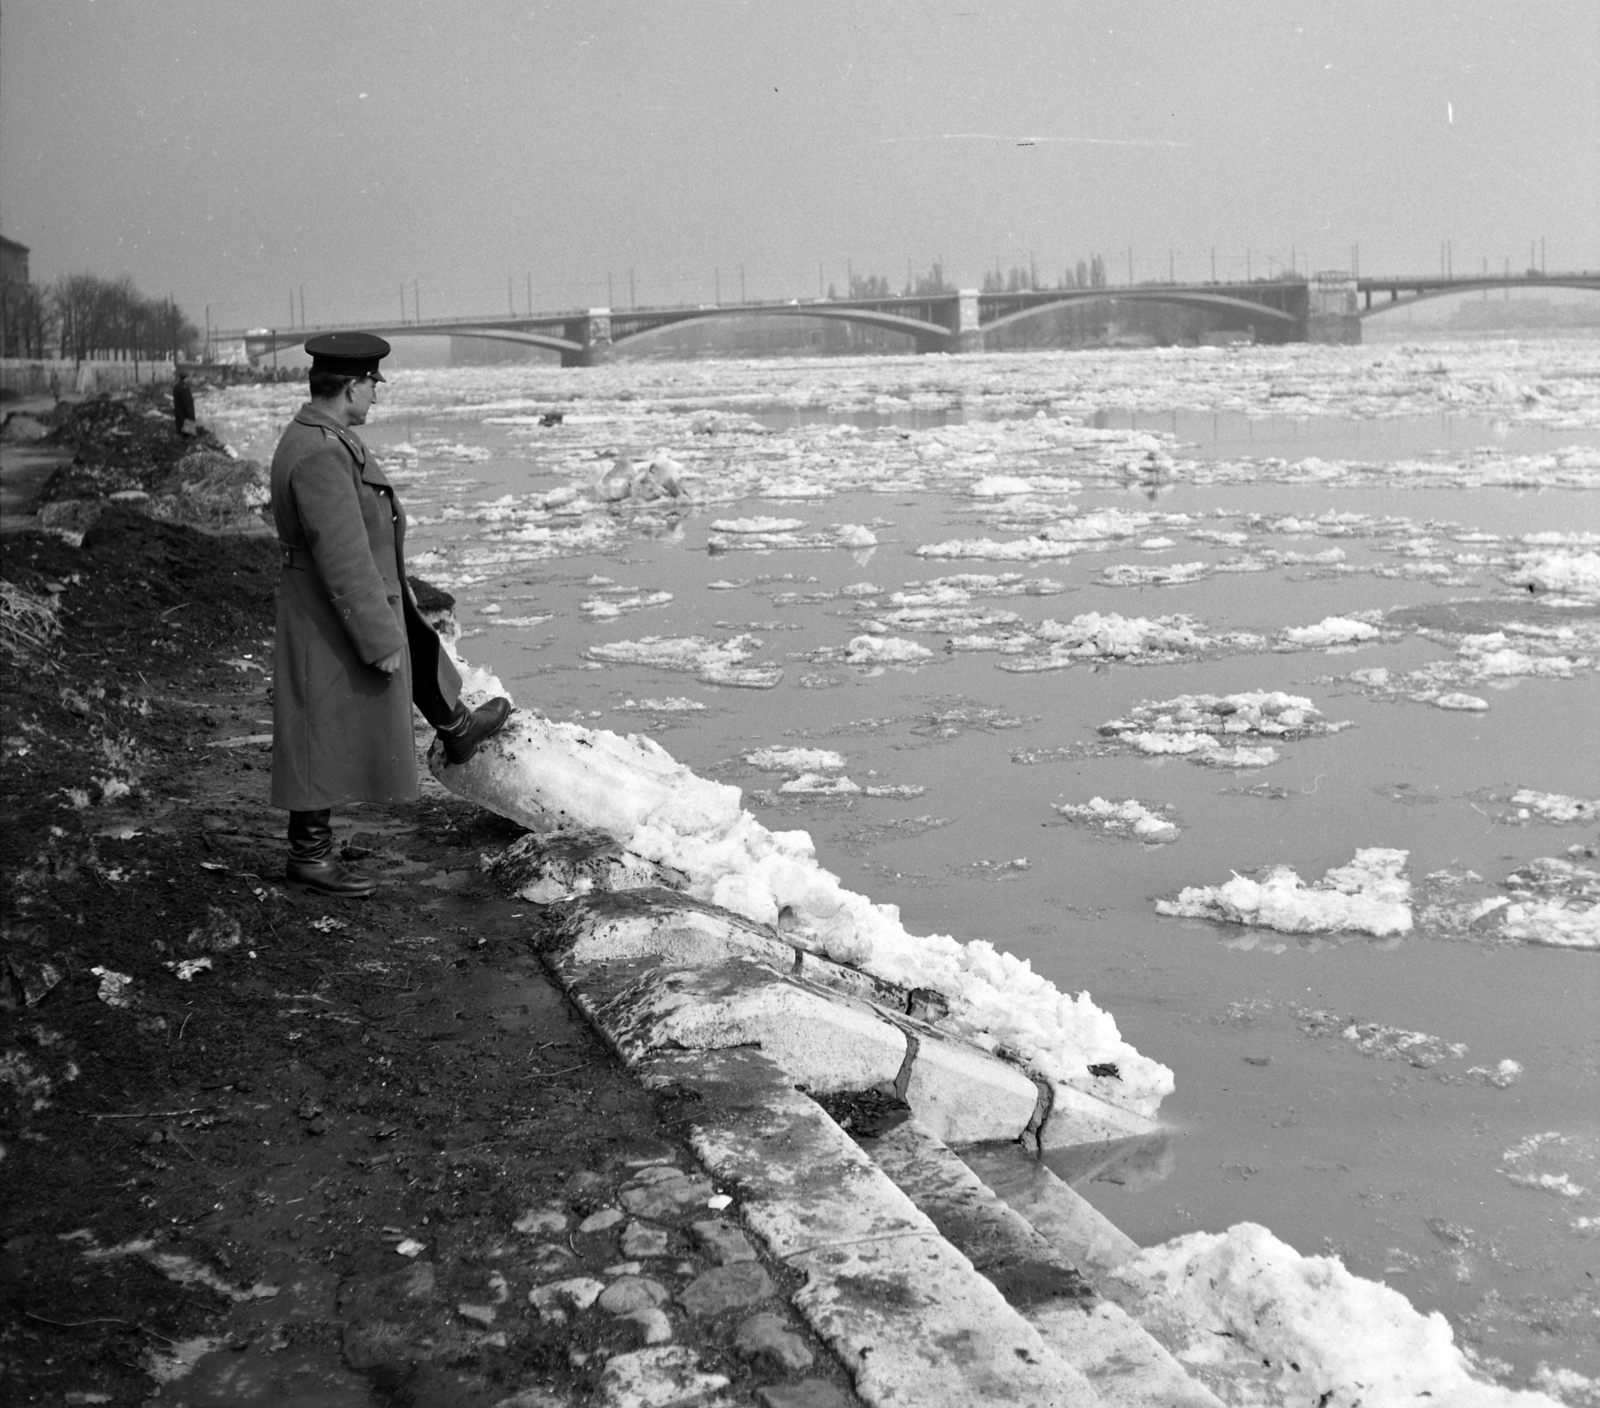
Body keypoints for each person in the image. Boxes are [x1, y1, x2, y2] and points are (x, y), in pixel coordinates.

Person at [268, 332, 511, 896]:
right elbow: (343, 556)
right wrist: (378, 639)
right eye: (372, 384)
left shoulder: (322, 437)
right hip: (328, 609)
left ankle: (456, 727)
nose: (377, 394)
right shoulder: (322, 452)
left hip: (334, 601)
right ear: (350, 386)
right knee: (317, 725)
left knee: (349, 697)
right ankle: (309, 856)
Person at [173, 370, 197, 437]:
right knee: (188, 436)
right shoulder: (185, 388)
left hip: (179, 414)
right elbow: (187, 403)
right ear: (186, 378)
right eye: (188, 377)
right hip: (186, 415)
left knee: (180, 433)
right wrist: (191, 416)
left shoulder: (176, 386)